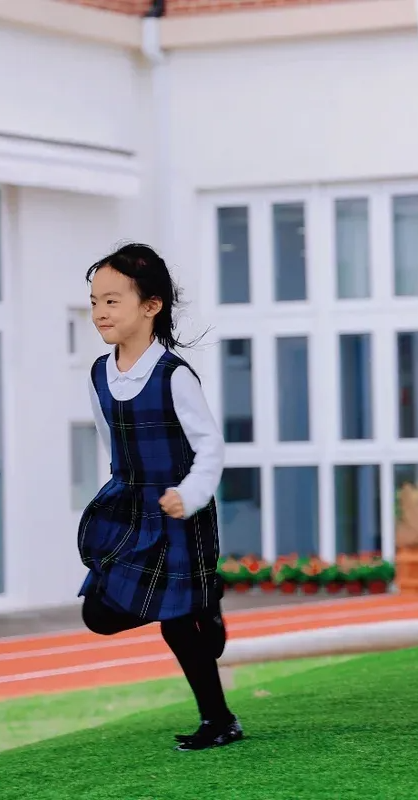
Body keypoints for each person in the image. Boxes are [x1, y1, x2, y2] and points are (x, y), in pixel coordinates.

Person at [77, 243, 242, 752]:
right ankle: (199, 599)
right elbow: (113, 439)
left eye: (112, 301)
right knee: (98, 615)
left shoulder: (175, 376)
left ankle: (219, 720)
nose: (100, 312)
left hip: (178, 509)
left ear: (151, 306)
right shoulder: (99, 374)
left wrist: (189, 494)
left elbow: (210, 447)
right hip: (130, 504)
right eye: (94, 301)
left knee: (177, 627)